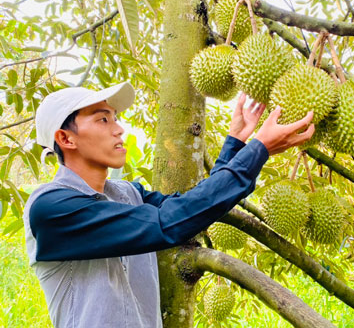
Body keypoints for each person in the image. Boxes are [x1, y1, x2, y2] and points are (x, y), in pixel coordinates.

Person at [23, 82, 314, 328]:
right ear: (65, 138)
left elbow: (192, 209)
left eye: (115, 117)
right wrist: (258, 149)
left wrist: (237, 142)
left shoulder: (128, 194)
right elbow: (168, 223)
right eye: (103, 120)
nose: (119, 129)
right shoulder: (52, 209)